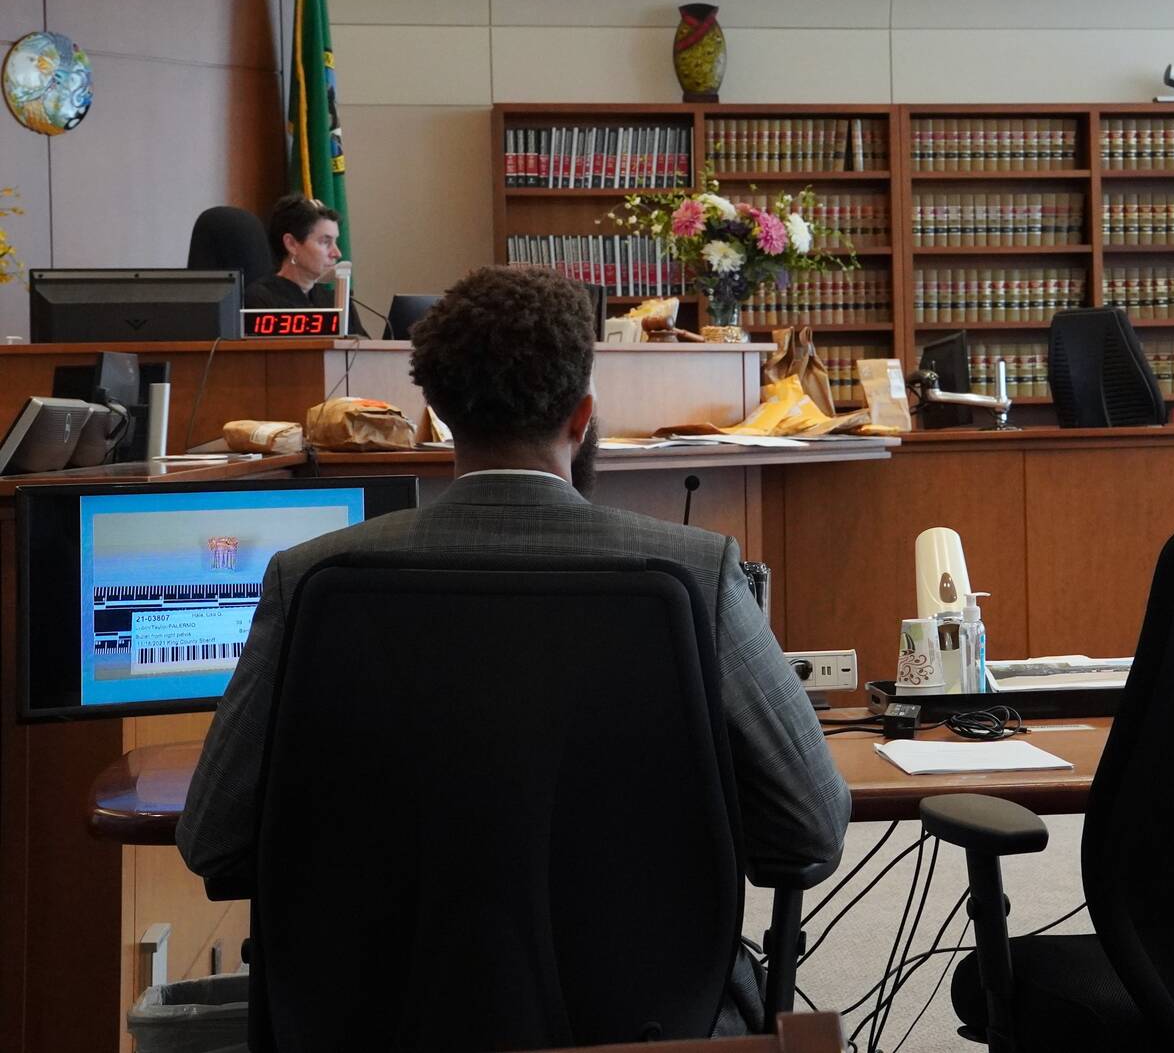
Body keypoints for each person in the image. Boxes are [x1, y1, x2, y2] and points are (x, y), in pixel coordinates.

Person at [177, 264, 850, 1031]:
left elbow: (211, 840)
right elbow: (811, 831)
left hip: (371, 1025)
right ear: (583, 417)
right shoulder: (701, 573)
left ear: (434, 410)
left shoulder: (307, 580)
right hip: (653, 1026)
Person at [244, 194, 341, 309]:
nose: (337, 253)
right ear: (291, 244)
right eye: (325, 242)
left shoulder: (335, 300)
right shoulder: (259, 300)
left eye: (335, 242)